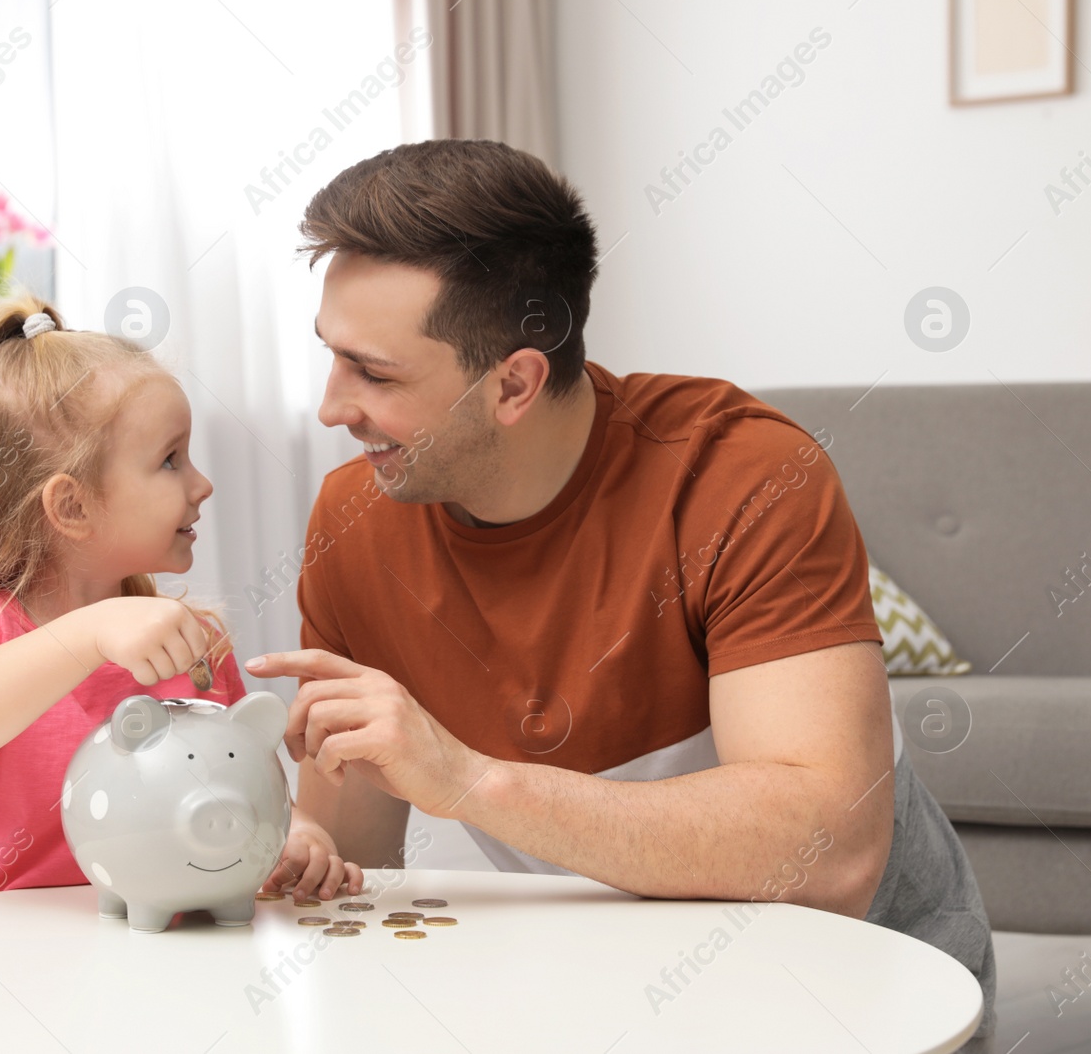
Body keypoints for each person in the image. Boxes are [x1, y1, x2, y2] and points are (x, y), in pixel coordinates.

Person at [243, 139, 996, 1043]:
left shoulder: (744, 475)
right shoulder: (356, 520)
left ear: (513, 383)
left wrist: (472, 781)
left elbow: (827, 848)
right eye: (331, 357)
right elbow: (353, 867)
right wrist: (289, 850)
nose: (332, 406)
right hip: (601, 989)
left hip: (860, 984)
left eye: (374, 372)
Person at [0, 293, 361, 909]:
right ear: (72, 506)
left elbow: (240, 786)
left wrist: (294, 831)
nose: (202, 484)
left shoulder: (190, 641)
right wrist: (91, 633)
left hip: (158, 960)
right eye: (169, 461)